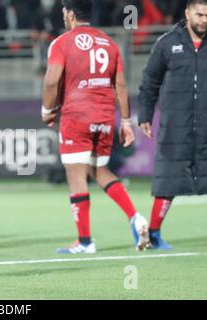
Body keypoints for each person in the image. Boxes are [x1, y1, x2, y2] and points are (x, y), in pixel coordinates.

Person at [41, 0, 150, 254]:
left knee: (76, 175)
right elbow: (120, 85)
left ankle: (85, 241)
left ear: (70, 15)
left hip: (76, 115)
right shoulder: (109, 43)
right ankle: (135, 217)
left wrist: (47, 111)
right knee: (100, 171)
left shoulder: (62, 42)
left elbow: (51, 81)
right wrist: (125, 121)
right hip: (103, 117)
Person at [138, 0, 207, 250]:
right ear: (188, 13)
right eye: (199, 14)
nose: (204, 20)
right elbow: (149, 83)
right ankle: (154, 234)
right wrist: (144, 115)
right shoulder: (167, 43)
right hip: (176, 124)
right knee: (169, 178)